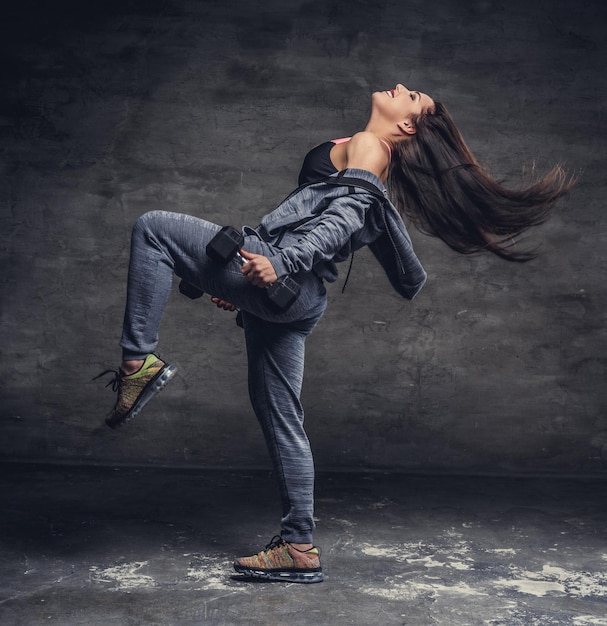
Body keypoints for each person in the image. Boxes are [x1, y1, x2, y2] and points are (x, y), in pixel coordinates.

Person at [96, 83, 573, 584]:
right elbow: (314, 215)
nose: (404, 88)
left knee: (152, 227)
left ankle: (137, 363)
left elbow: (343, 221)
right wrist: (245, 283)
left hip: (288, 282)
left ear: (407, 125)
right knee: (282, 418)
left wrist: (278, 264)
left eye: (413, 97)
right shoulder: (365, 146)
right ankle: (298, 548)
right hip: (293, 300)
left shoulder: (371, 149)